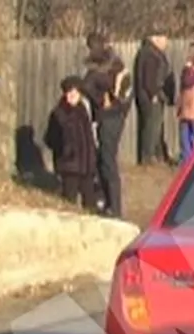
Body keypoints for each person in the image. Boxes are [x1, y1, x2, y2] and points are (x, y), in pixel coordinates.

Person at [85, 51, 132, 218]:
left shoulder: (101, 75)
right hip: (115, 117)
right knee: (105, 161)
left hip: (108, 118)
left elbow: (88, 87)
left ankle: (113, 206)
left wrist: (103, 103)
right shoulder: (122, 73)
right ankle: (110, 203)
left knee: (107, 162)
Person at [44, 76, 100, 211]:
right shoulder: (59, 113)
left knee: (90, 201)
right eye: (68, 93)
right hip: (69, 166)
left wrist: (93, 157)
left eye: (74, 93)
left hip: (86, 165)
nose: (71, 96)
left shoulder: (83, 110)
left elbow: (89, 137)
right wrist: (65, 151)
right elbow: (50, 138)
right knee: (69, 201)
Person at [133, 32, 174, 165]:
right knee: (151, 127)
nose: (166, 42)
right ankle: (147, 157)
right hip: (151, 97)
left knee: (156, 127)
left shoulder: (151, 53)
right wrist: (154, 94)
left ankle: (159, 155)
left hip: (153, 96)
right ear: (155, 39)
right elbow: (149, 79)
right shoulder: (150, 55)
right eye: (164, 39)